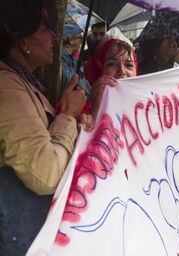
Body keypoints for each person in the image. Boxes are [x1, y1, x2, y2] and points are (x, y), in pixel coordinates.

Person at [0, 1, 87, 254]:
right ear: (23, 42)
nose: (54, 36)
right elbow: (46, 174)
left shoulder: (24, 80)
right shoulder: (8, 88)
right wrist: (68, 114)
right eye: (44, 28)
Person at [61, 26, 91, 97]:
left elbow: (82, 78)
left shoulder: (74, 58)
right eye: (80, 38)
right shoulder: (61, 59)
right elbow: (71, 82)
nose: (81, 43)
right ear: (71, 40)